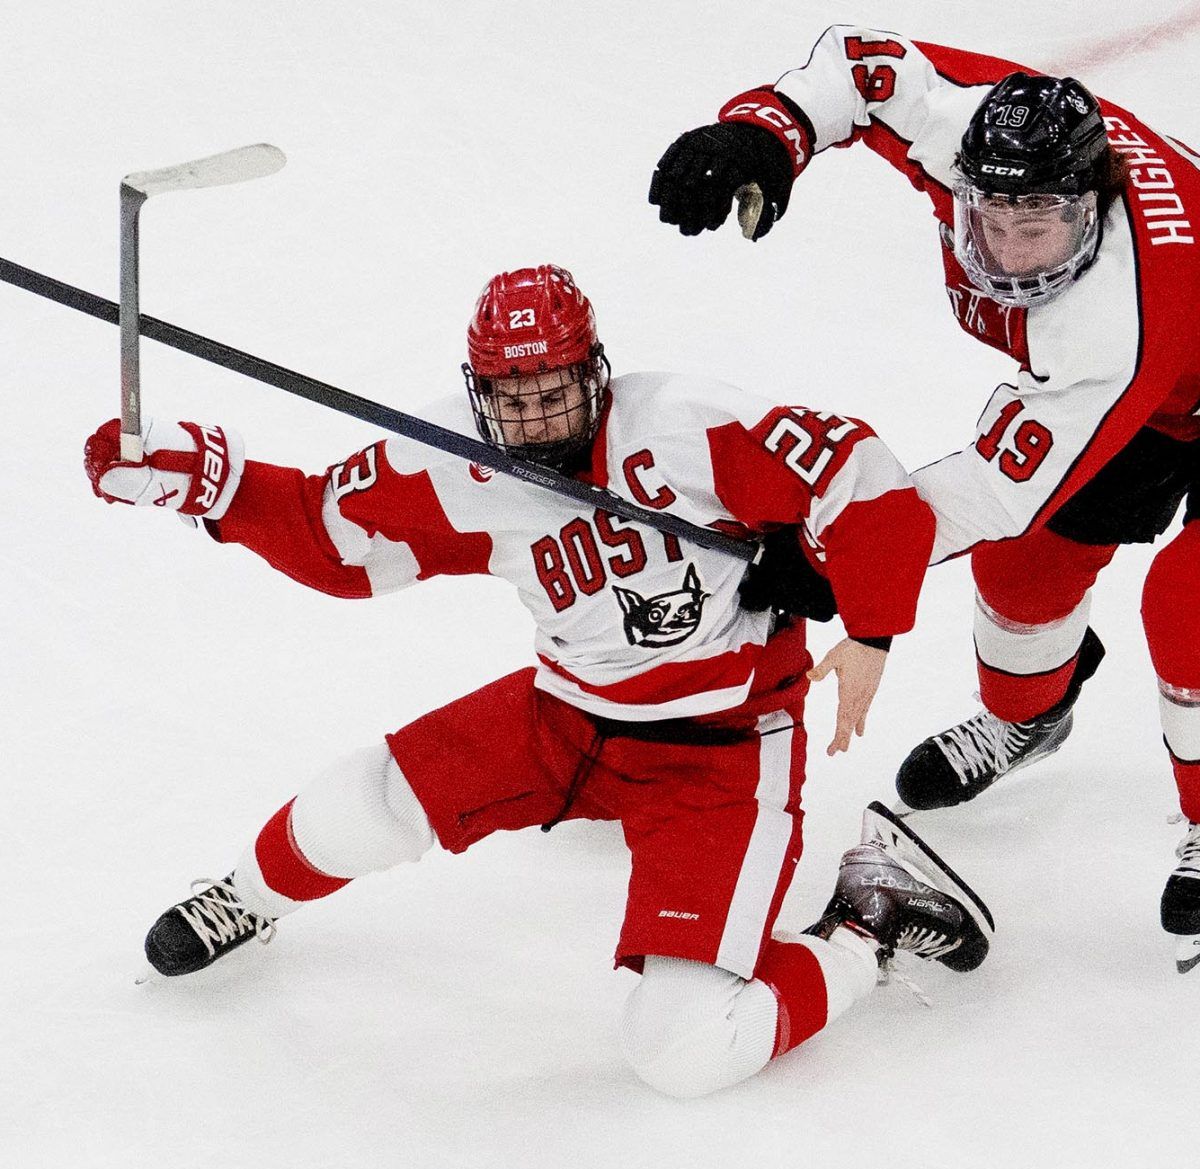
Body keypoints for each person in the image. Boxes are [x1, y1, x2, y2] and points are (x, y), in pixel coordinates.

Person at [84, 263, 991, 1097]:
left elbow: (863, 479)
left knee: (682, 1050)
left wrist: (868, 622)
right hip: (567, 717)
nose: (533, 422)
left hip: (720, 749)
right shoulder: (456, 456)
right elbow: (334, 539)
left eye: (553, 394)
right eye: (510, 400)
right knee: (362, 802)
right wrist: (207, 484)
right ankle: (248, 900)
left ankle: (867, 916)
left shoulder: (685, 423)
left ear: (595, 373)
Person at [647, 25, 1200, 966]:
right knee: (1025, 574)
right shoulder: (966, 131)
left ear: (1094, 208)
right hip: (1164, 390)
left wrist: (835, 558)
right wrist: (766, 135)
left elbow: (991, 489)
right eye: (994, 221)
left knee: (1188, 609)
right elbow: (864, 66)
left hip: (1160, 362)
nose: (1015, 253)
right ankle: (1032, 715)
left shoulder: (1119, 315)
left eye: (1044, 228)